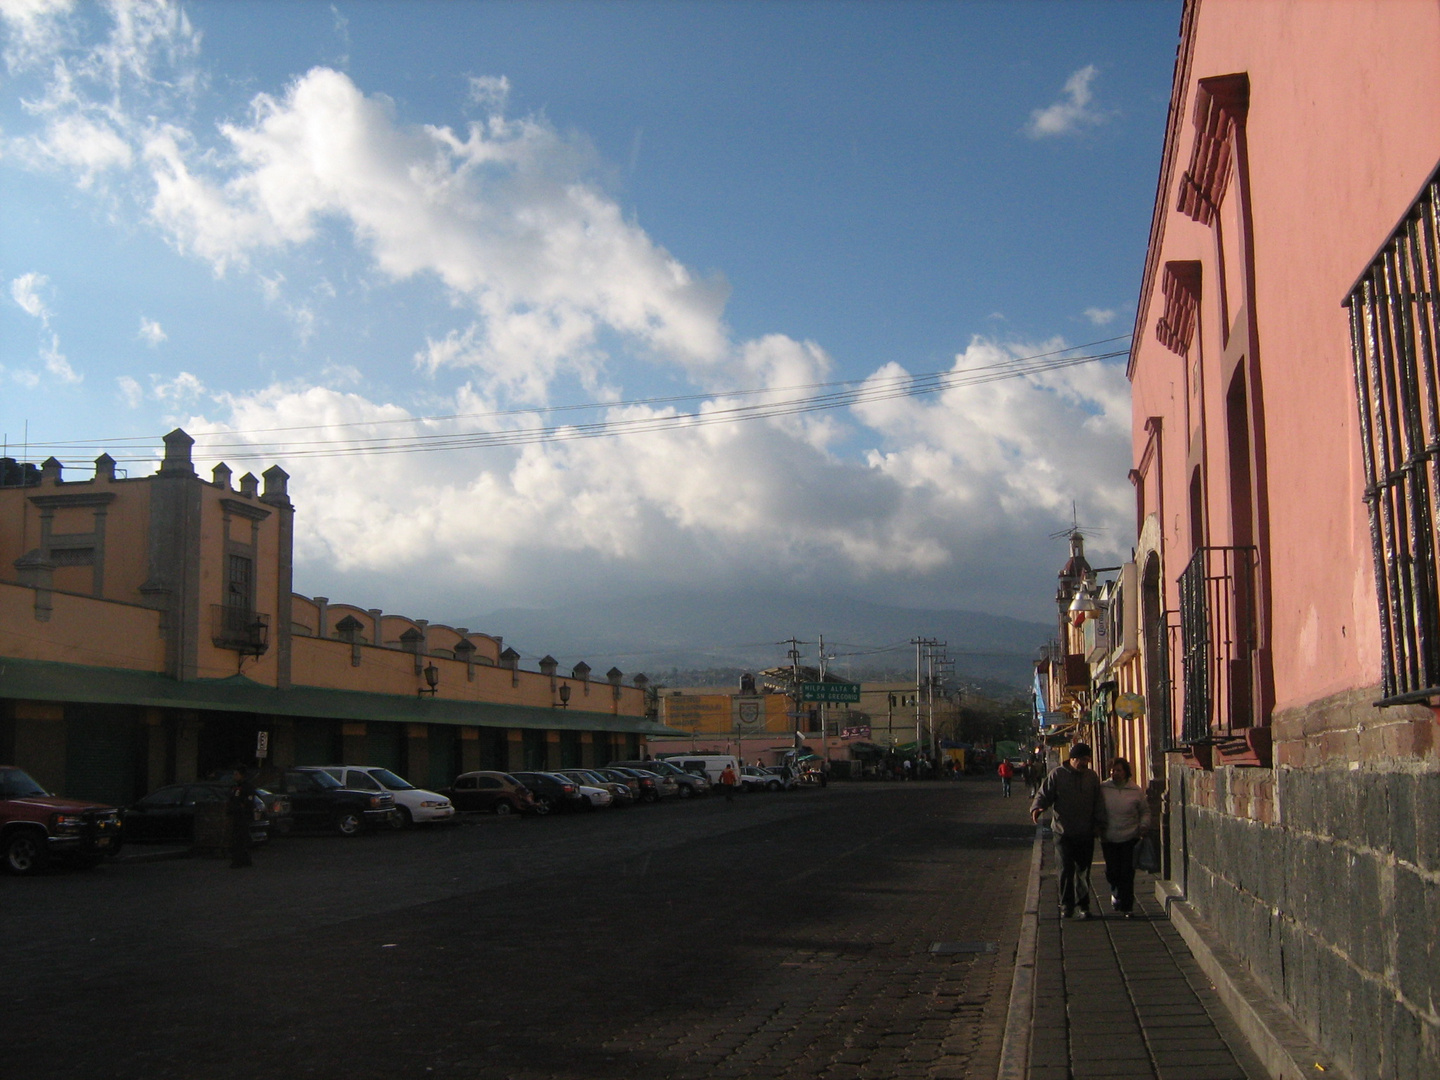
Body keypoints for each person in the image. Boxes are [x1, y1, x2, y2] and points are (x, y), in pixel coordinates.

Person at [1030, 743, 1107, 919]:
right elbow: (1043, 794)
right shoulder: (1057, 775)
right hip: (1062, 831)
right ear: (1072, 758)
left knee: (1083, 871)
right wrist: (1037, 807)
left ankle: (1084, 905)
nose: (1084, 763)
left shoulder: (1091, 777)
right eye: (1082, 759)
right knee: (1065, 869)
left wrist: (1099, 823)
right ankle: (1066, 904)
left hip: (1085, 831)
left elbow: (1098, 801)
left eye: (1087, 759)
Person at [1100, 757, 1150, 916]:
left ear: (1126, 772)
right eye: (1113, 770)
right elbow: (1097, 808)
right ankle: (1115, 892)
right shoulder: (1103, 788)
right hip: (1109, 836)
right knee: (1112, 871)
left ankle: (1127, 906)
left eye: (1119, 770)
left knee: (1127, 872)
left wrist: (1143, 825)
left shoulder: (1135, 790)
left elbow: (1145, 811)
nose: (1115, 773)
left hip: (1130, 836)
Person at [227, 765, 256, 869]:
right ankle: (244, 859)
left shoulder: (247, 787)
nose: (234, 776)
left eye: (236, 774)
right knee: (238, 838)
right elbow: (232, 799)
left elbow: (248, 801)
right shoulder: (234, 787)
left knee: (240, 838)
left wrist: (241, 806)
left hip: (243, 816)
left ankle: (239, 860)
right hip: (236, 815)